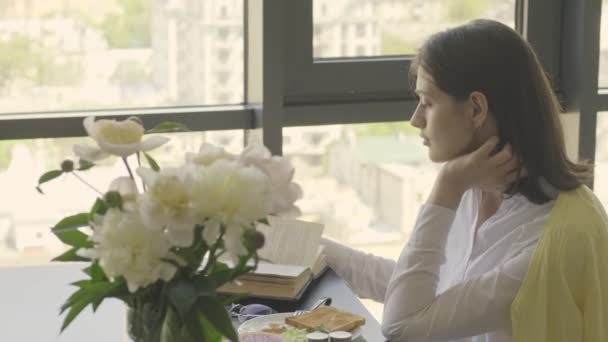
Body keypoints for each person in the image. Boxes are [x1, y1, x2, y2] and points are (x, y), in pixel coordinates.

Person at [321, 19, 608, 342]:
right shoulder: (475, 189)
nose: (415, 119)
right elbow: (418, 286)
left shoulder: (555, 239)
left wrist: (447, 187)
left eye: (427, 103)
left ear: (476, 108)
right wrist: (304, 245)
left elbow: (403, 327)